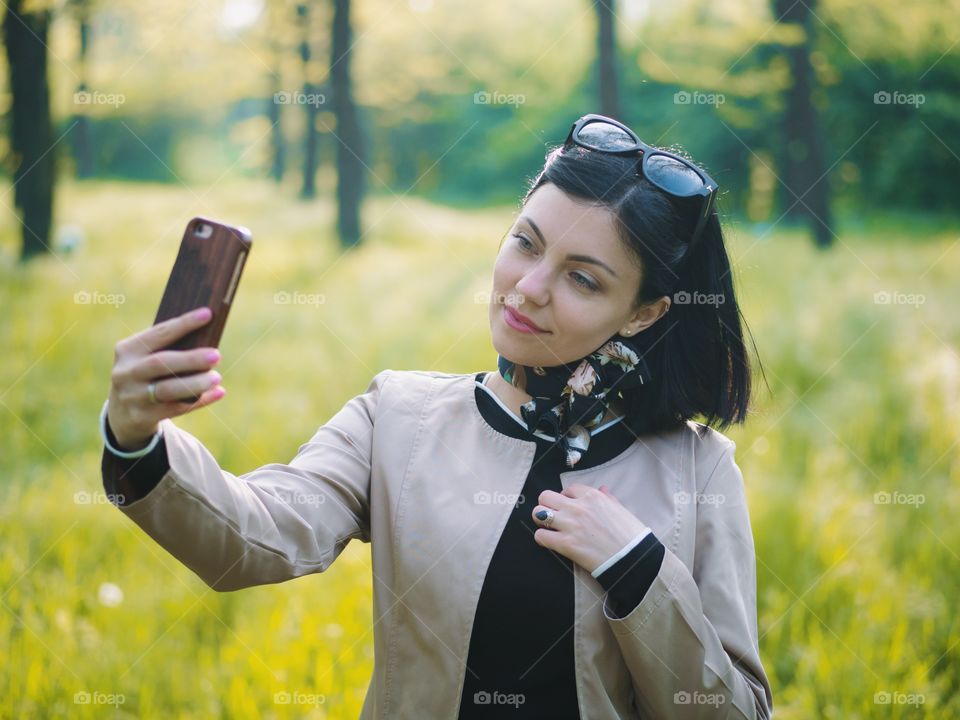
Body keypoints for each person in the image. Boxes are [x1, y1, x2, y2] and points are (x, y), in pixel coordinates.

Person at [100, 113, 773, 719]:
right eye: (526, 243)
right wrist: (137, 440)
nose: (528, 289)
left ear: (644, 312)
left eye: (582, 278)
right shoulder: (398, 416)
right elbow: (251, 541)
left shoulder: (700, 473)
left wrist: (640, 572)